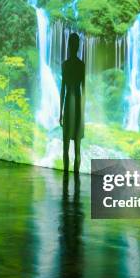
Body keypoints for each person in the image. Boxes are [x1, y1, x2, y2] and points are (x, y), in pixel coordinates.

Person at [59, 33, 85, 174]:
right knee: (77, 148)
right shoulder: (82, 65)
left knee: (65, 147)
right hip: (78, 105)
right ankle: (76, 178)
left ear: (69, 46)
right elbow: (84, 91)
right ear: (78, 46)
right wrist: (83, 113)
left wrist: (60, 112)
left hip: (68, 104)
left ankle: (65, 176)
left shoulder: (65, 65)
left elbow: (62, 89)